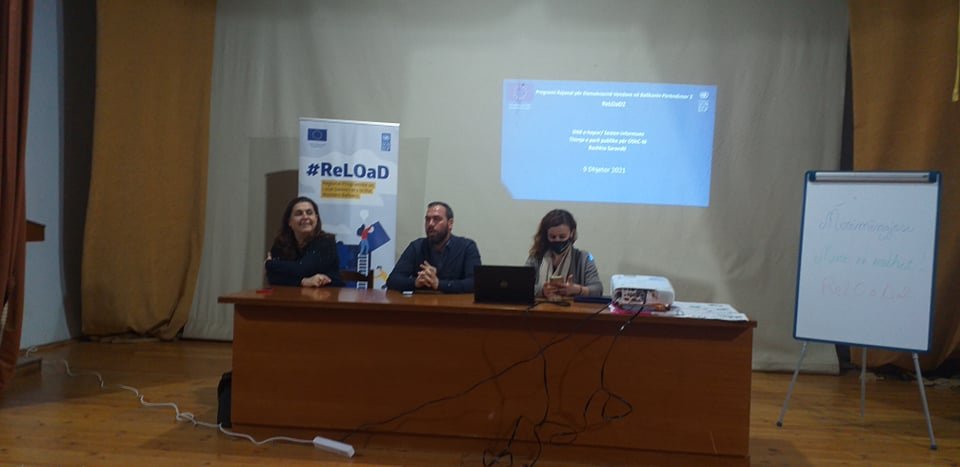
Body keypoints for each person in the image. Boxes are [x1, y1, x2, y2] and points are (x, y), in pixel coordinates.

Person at [386, 201, 481, 293]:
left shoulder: (466, 247)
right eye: (427, 219)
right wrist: (416, 282)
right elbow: (392, 280)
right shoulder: (416, 247)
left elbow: (475, 283)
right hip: (422, 303)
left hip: (454, 303)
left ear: (450, 223)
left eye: (436, 219)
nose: (430, 224)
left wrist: (439, 284)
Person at [264, 196, 344, 287]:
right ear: (289, 221)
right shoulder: (281, 243)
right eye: (299, 213)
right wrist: (302, 282)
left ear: (316, 218)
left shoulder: (326, 241)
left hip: (327, 293)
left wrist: (270, 264)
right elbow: (272, 277)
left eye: (309, 213)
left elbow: (303, 268)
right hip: (290, 294)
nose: (305, 217)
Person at [525, 209, 602, 299]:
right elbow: (523, 286)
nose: (557, 240)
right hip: (541, 307)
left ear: (571, 233)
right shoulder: (536, 256)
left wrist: (577, 290)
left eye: (562, 236)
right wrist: (542, 291)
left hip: (573, 307)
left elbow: (598, 290)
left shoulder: (584, 258)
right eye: (553, 237)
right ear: (546, 235)